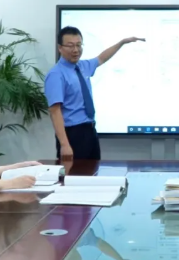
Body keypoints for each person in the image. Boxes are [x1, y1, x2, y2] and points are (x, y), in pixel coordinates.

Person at [45, 26, 144, 161]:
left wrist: (122, 42)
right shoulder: (56, 74)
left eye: (79, 45)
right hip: (72, 134)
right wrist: (64, 144)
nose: (76, 50)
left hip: (90, 131)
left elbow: (102, 58)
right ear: (60, 48)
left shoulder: (83, 66)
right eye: (70, 46)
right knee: (75, 173)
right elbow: (55, 111)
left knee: (93, 171)